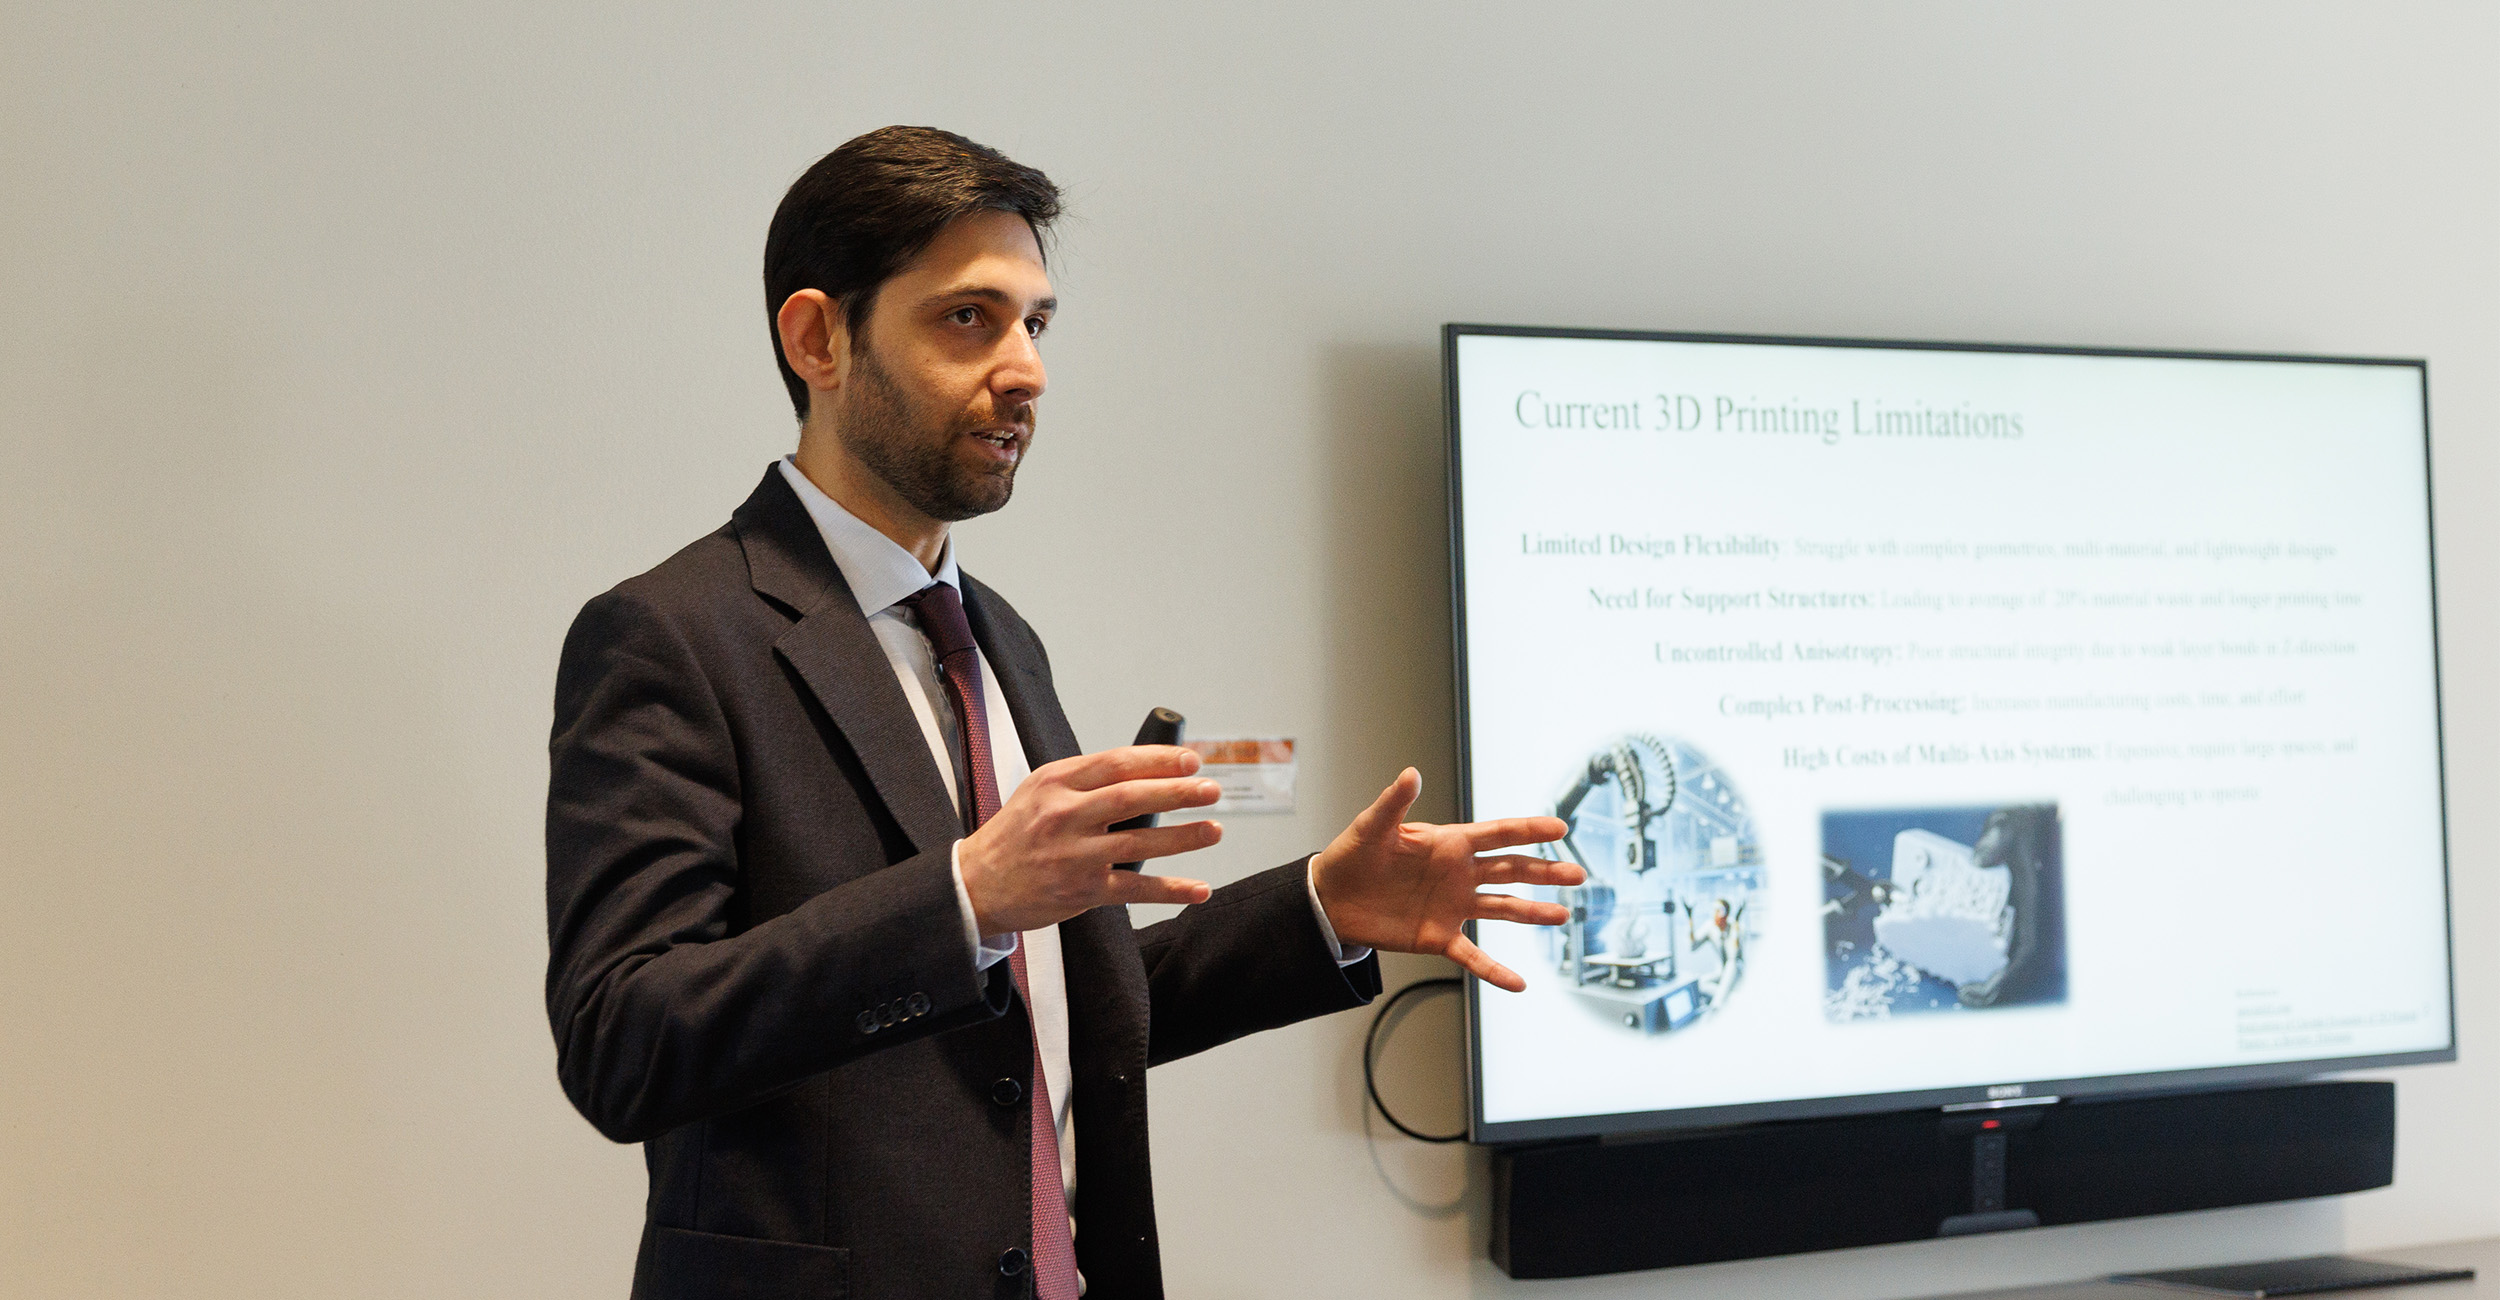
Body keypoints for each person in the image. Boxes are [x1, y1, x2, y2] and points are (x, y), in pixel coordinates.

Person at [544, 126, 1584, 1300]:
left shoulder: (996, 636)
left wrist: (1317, 909)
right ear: (818, 338)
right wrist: (965, 896)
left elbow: (1049, 1008)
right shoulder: (672, 635)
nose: (1026, 370)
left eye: (1035, 323)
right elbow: (622, 1038)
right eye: (968, 318)